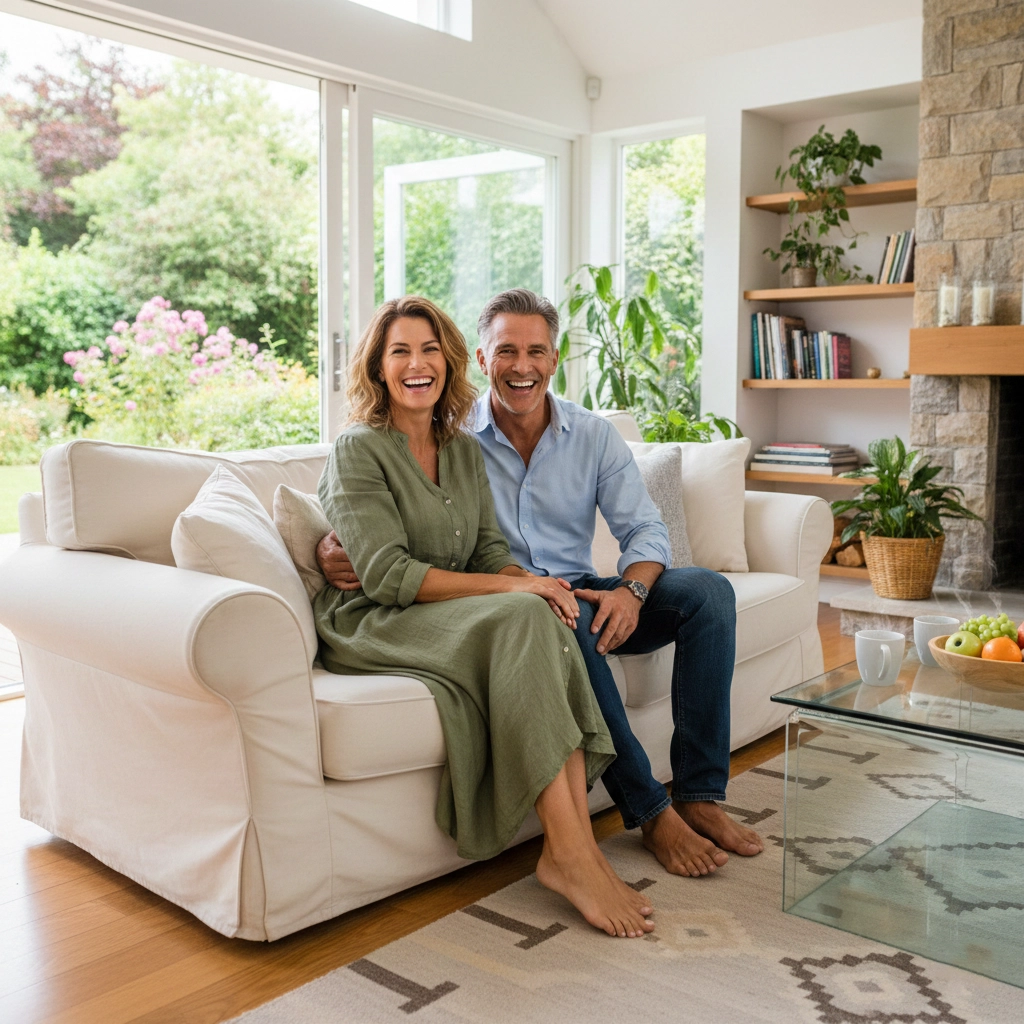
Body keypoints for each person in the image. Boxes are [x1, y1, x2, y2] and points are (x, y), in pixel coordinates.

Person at [319, 289, 764, 879]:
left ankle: (699, 796)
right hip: (515, 600)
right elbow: (377, 511)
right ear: (482, 359)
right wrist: (331, 544)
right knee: (557, 617)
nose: (521, 366)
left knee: (708, 593)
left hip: (577, 588)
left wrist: (629, 593)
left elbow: (645, 529)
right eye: (506, 351)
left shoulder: (587, 435)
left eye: (536, 352)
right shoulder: (454, 431)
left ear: (555, 359)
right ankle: (651, 812)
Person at [314, 295, 654, 938]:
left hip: (441, 608)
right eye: (400, 352)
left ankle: (573, 849)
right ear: (378, 367)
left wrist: (541, 586)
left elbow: (490, 552)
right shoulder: (359, 448)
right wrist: (517, 590)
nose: (417, 364)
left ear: (449, 361)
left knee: (544, 613)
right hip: (372, 619)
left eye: (429, 350)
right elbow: (386, 576)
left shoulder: (461, 449)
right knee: (523, 615)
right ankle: (571, 854)